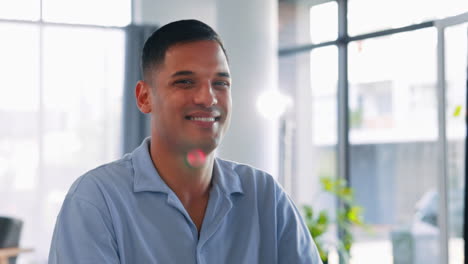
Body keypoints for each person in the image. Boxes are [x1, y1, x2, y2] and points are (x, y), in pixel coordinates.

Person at [48, 19, 322, 264]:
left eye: (220, 83)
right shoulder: (96, 200)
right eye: (185, 82)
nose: (208, 98)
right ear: (144, 97)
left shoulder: (265, 197)